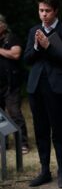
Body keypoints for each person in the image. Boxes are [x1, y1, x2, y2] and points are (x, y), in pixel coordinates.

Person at [24, 0, 62, 188]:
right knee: (40, 129)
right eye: (41, 11)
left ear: (55, 11)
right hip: (36, 85)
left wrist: (49, 47)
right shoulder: (34, 30)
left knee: (58, 129)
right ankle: (44, 170)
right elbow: (27, 59)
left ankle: (61, 171)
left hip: (56, 86)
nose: (44, 14)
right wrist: (38, 47)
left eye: (47, 11)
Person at [0, 14, 29, 154]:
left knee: (14, 113)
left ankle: (22, 142)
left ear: (3, 25)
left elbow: (16, 54)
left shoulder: (11, 38)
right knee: (0, 115)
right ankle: (3, 143)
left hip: (11, 84)